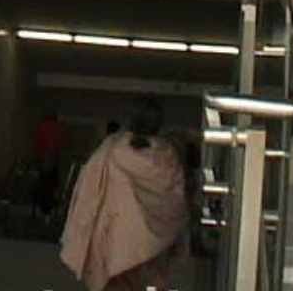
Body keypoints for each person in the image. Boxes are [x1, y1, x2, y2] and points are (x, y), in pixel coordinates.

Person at [61, 97, 187, 291]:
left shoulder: (111, 151)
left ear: (130, 119)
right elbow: (177, 205)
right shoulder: (168, 157)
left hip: (114, 247)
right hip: (153, 253)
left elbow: (88, 196)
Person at [33, 111, 67, 218]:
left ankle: (45, 209)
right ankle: (49, 209)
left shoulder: (43, 127)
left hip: (45, 159)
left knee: (45, 185)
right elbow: (60, 144)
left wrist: (40, 157)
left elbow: (39, 144)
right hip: (53, 159)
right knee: (51, 185)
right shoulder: (57, 128)